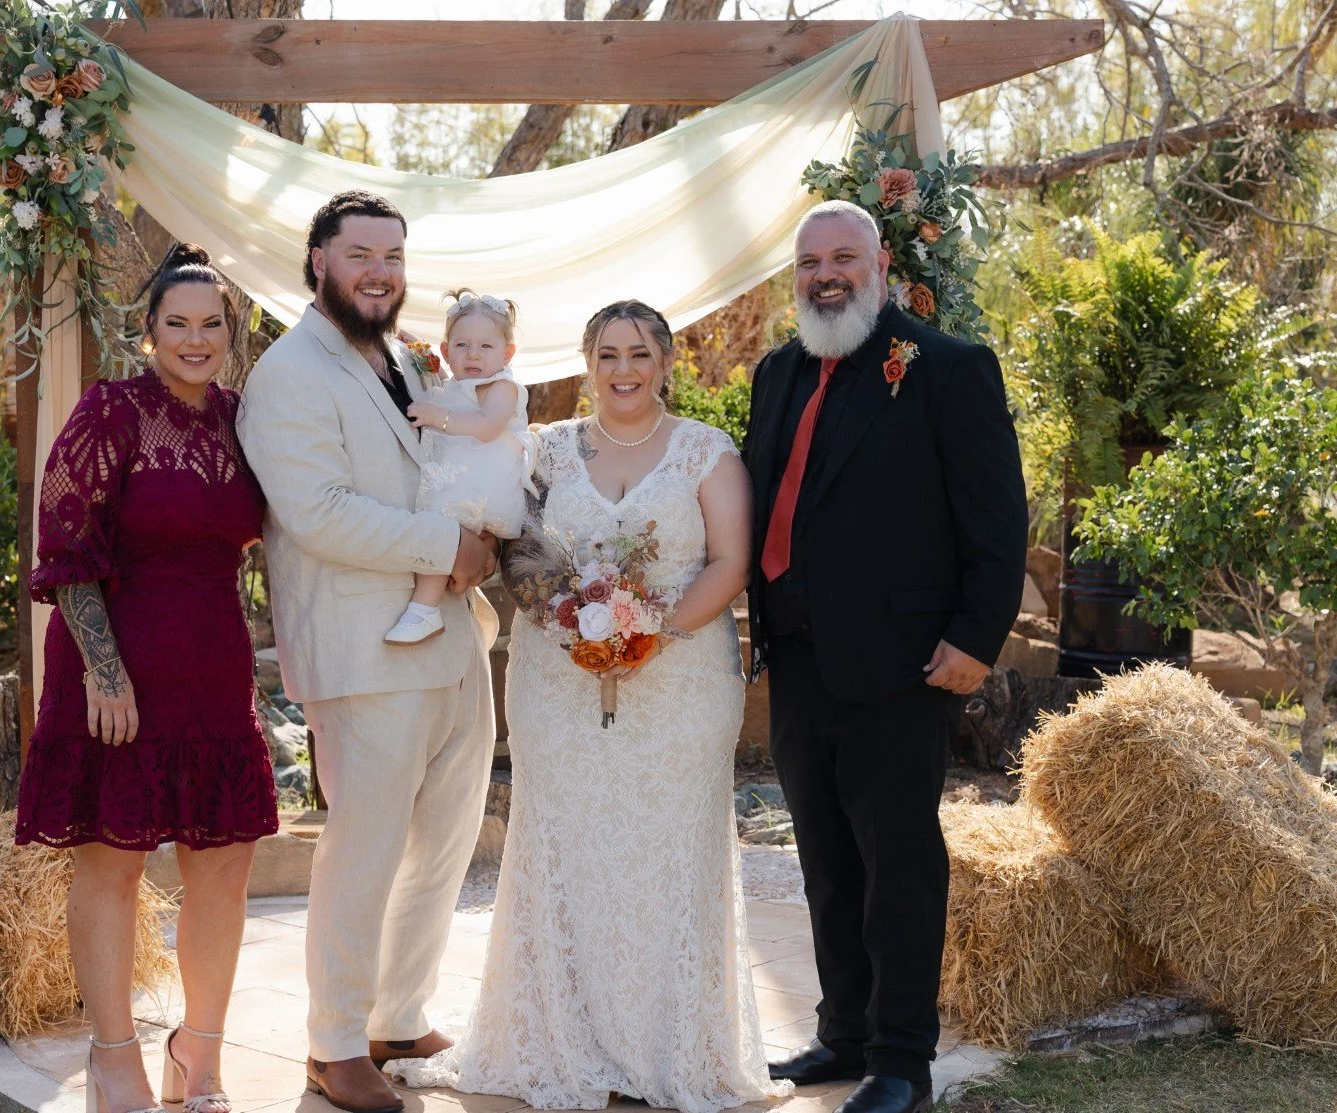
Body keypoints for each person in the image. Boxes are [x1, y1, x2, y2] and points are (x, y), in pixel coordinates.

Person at [388, 300, 788, 1113]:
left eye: (640, 353)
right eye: (607, 353)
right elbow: (514, 544)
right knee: (565, 845)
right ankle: (561, 1038)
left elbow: (732, 560)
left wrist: (651, 633)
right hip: (558, 678)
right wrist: (575, 625)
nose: (624, 369)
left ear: (667, 361)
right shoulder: (545, 450)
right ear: (586, 359)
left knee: (670, 851)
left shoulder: (707, 452)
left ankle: (665, 1046)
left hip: (681, 683)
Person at [745, 200, 1027, 1113]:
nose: (825, 275)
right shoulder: (777, 372)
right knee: (825, 857)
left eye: (843, 257)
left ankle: (903, 1058)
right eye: (809, 261)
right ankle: (846, 1033)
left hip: (906, 664)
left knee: (899, 863)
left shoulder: (946, 368)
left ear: (882, 262)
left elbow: (995, 519)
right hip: (795, 662)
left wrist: (977, 641)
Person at [235, 190, 500, 1113]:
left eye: (392, 254)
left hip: (454, 636)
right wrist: (448, 551)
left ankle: (397, 1013)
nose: (379, 270)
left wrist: (491, 530)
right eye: (359, 254)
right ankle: (333, 1043)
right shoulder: (288, 373)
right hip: (362, 646)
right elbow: (317, 514)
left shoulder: (403, 358)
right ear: (318, 262)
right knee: (366, 849)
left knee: (445, 840)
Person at [15, 243, 279, 1113]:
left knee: (224, 865)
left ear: (232, 334)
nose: (195, 340)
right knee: (114, 864)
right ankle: (114, 1054)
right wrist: (105, 671)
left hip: (212, 659)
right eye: (178, 323)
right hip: (115, 668)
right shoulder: (110, 412)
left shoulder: (247, 419)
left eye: (212, 325)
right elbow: (65, 544)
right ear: (149, 330)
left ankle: (197, 1053)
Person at [385, 289, 535, 646]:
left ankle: (425, 608)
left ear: (507, 353)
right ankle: (427, 604)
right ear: (448, 350)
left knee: (442, 519)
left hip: (484, 483)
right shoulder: (458, 381)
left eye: (486, 347)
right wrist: (415, 351)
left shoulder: (501, 387)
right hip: (463, 476)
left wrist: (441, 417)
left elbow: (486, 427)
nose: (473, 355)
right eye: (462, 345)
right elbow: (435, 376)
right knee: (439, 522)